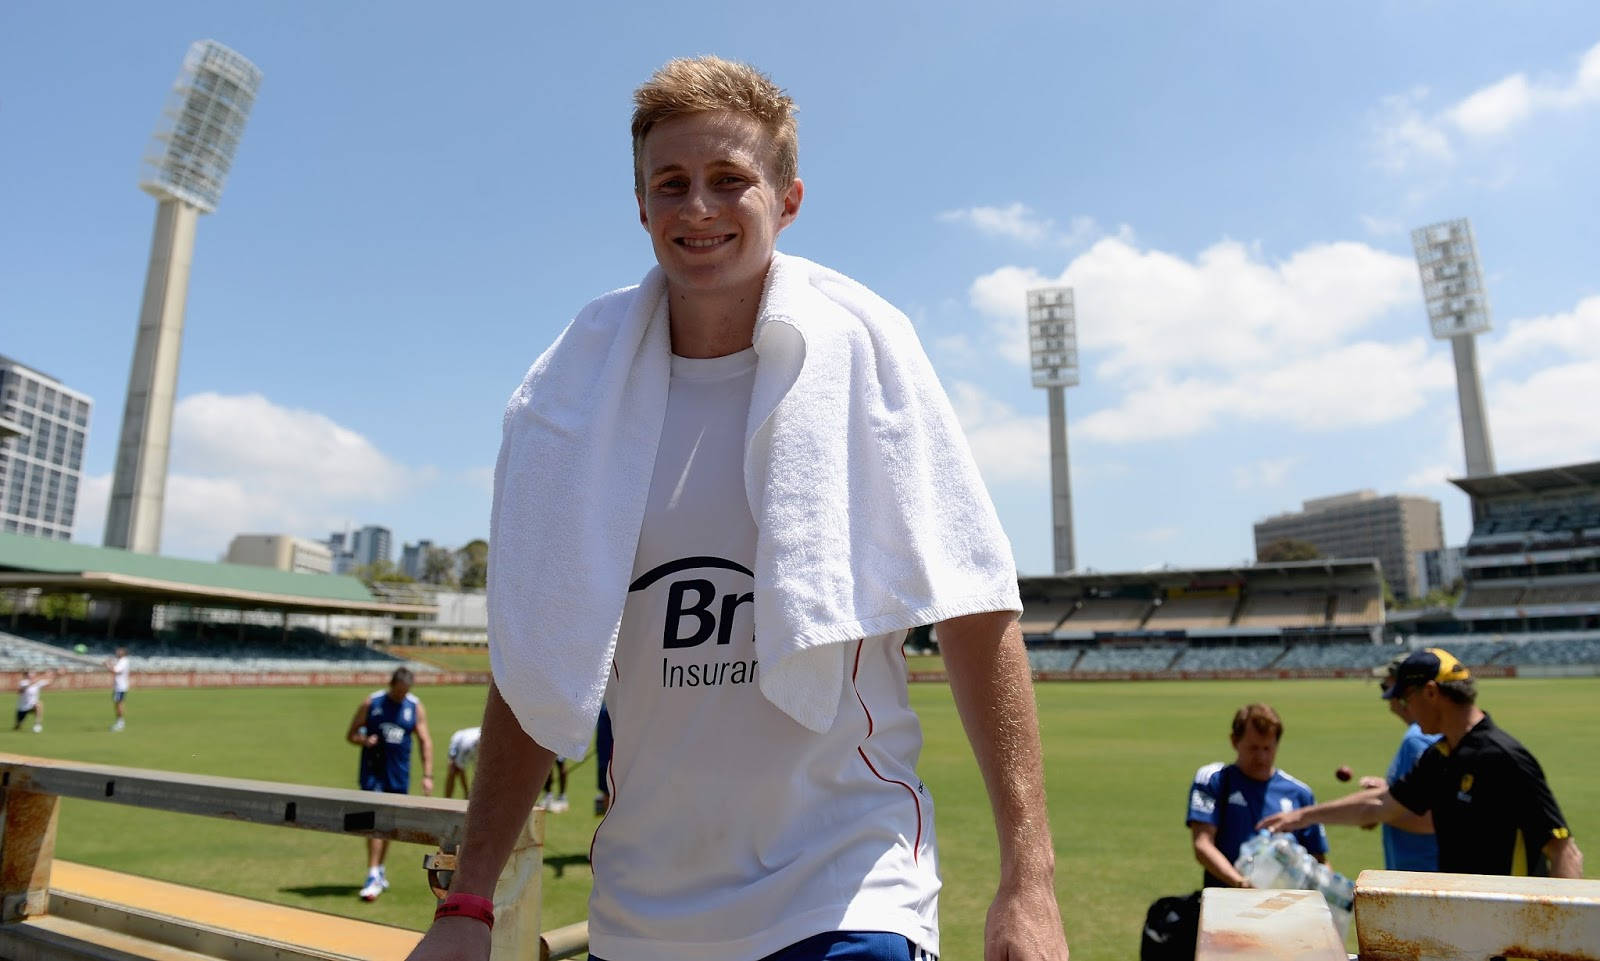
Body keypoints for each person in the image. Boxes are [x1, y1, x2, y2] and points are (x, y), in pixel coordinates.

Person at [407, 56, 1068, 961]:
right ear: (640, 206)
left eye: (731, 180)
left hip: (844, 887)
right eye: (671, 184)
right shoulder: (573, 397)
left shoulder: (866, 351)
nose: (699, 209)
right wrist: (467, 903)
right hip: (644, 911)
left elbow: (974, 601)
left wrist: (1028, 879)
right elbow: (538, 651)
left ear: (788, 200)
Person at [1261, 648, 1583, 878]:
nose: (1404, 708)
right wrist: (1300, 817)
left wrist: (1561, 942)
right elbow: (1377, 806)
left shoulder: (1503, 757)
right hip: (1465, 926)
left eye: (1407, 697)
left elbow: (1564, 851)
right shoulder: (1441, 755)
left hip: (1511, 934)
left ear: (1431, 692)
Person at [1187, 703, 1328, 888]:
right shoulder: (1214, 780)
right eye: (1253, 748)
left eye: (1267, 748)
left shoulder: (1300, 793)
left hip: (1285, 908)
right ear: (1234, 741)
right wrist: (1241, 883)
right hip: (1227, 904)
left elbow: (1318, 861)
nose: (1261, 758)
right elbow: (1203, 845)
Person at [346, 667, 433, 901]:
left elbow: (425, 741)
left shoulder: (414, 706)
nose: (401, 696)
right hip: (373, 773)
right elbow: (351, 734)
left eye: (405, 692)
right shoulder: (371, 703)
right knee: (375, 820)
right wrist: (364, 740)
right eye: (398, 692)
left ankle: (380, 869)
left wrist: (427, 775)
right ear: (391, 685)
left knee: (388, 825)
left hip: (399, 774)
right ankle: (372, 873)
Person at [1359, 654, 1440, 871]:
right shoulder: (1430, 733)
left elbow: (1431, 815)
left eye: (1386, 684)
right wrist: (1389, 790)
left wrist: (1380, 809)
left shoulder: (1416, 738)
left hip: (1420, 872)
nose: (1384, 690)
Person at [445, 726, 481, 799]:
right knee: (452, 771)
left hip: (473, 747)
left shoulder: (490, 739)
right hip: (458, 741)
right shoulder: (467, 747)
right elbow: (461, 769)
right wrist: (467, 792)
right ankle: (447, 799)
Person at [107, 647, 129, 731]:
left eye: (119, 651)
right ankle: (120, 722)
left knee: (119, 704)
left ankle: (120, 723)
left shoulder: (123, 661)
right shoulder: (122, 661)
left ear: (123, 653)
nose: (117, 652)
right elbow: (115, 668)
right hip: (119, 686)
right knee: (117, 704)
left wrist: (107, 665)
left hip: (120, 687)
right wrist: (109, 664)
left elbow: (116, 671)